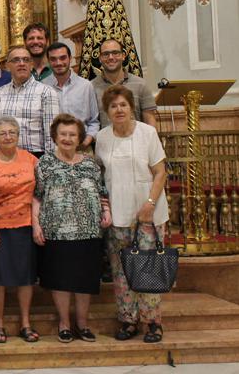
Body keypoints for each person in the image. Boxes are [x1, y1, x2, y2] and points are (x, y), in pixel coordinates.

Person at [96, 85, 169, 344]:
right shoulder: (102, 138)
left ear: (131, 108)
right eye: (113, 106)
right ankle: (128, 319)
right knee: (121, 270)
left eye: (123, 105)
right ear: (107, 111)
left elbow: (160, 172)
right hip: (117, 213)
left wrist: (150, 203)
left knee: (147, 268)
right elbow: (102, 177)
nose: (119, 110)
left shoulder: (147, 133)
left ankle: (152, 322)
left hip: (148, 214)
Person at [32, 114, 111, 343]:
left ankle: (83, 324)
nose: (67, 138)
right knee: (61, 279)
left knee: (85, 280)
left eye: (72, 134)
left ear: (80, 138)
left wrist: (106, 211)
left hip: (89, 230)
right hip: (56, 230)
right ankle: (64, 323)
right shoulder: (44, 163)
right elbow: (36, 197)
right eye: (63, 134)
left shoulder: (90, 163)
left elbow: (102, 192)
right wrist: (36, 224)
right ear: (55, 137)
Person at [0, 115, 40, 344]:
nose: (7, 136)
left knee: (25, 277)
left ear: (18, 135)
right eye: (2, 133)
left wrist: (37, 223)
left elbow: (39, 193)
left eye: (12, 132)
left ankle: (25, 323)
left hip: (26, 225)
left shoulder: (30, 159)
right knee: (0, 278)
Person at [0, 45, 59, 158]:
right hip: (5, 157)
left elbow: (51, 135)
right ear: (7, 66)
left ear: (31, 65)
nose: (21, 63)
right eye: (16, 60)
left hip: (36, 156)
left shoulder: (46, 92)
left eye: (26, 60)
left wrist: (49, 164)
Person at [91, 38, 158, 128]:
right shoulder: (91, 87)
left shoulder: (141, 85)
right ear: (100, 58)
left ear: (123, 56)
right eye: (106, 54)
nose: (111, 57)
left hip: (136, 141)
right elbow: (90, 123)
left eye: (115, 53)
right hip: (104, 141)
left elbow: (150, 121)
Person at [43, 43, 100, 147]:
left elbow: (94, 121)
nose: (58, 62)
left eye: (63, 58)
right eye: (53, 59)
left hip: (82, 148)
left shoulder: (86, 86)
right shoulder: (42, 87)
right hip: (53, 150)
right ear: (48, 61)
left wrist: (86, 141)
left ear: (70, 58)